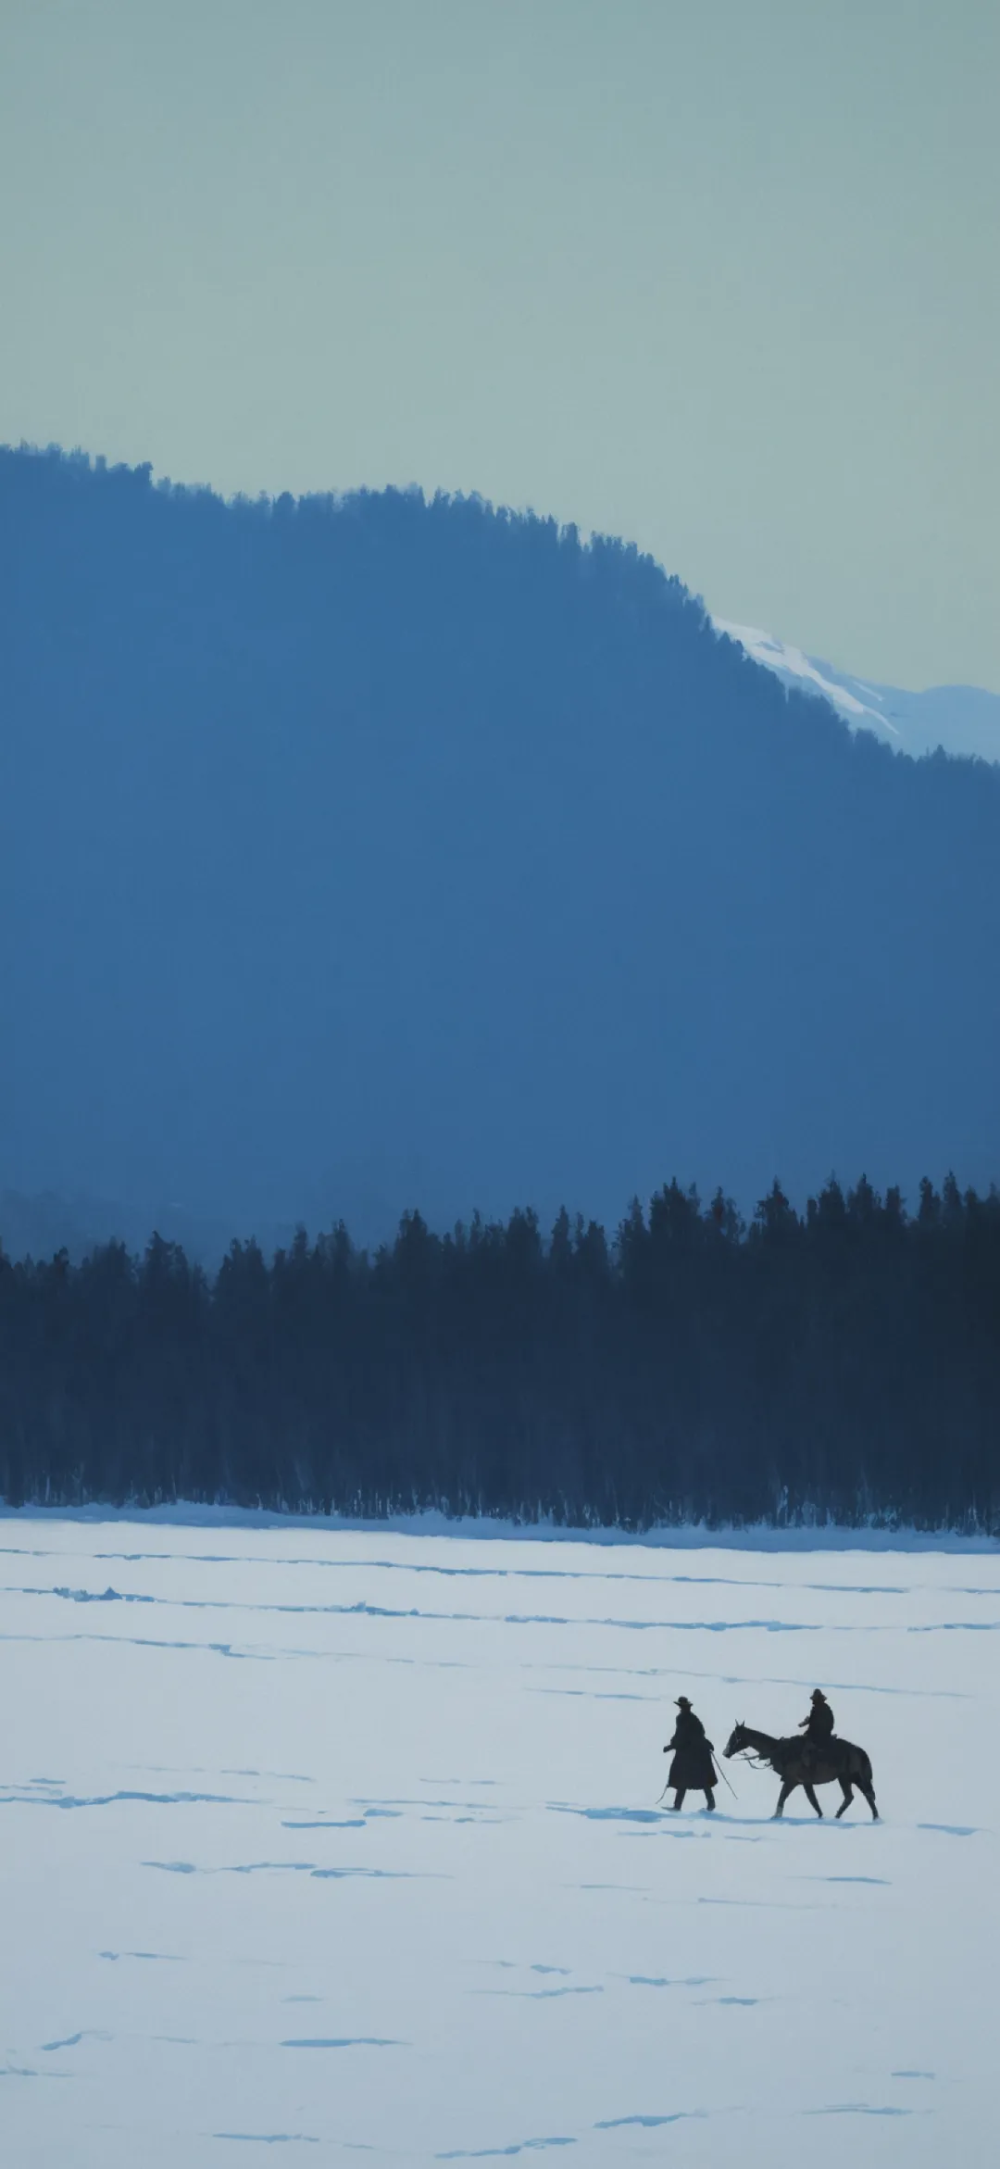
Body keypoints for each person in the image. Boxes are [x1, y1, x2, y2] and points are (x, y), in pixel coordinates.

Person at [664, 1696, 716, 1812]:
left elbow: (681, 1735)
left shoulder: (682, 1718)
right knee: (702, 1779)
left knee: (683, 1778)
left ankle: (677, 1806)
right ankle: (711, 1804)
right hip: (700, 1752)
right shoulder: (693, 1718)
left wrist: (672, 1745)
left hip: (690, 1753)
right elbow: (699, 1732)